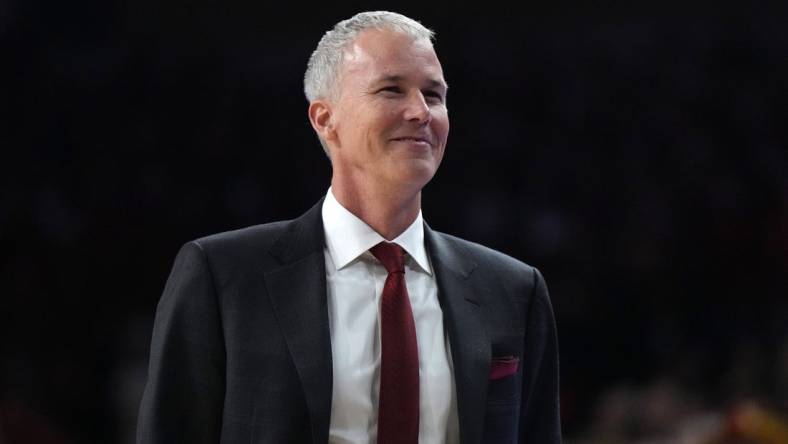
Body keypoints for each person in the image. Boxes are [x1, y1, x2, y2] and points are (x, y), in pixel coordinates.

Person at [136, 11, 561, 444]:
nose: (420, 111)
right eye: (392, 89)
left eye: (434, 95)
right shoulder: (222, 277)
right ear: (324, 118)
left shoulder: (513, 290)